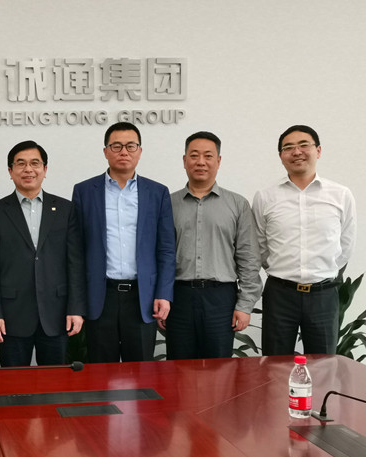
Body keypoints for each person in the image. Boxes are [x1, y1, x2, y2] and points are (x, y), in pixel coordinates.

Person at [72, 122, 175, 362]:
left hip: (142, 297)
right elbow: (75, 251)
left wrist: (164, 293)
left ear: (140, 151)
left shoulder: (157, 192)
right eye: (116, 146)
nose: (124, 152)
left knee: (140, 372)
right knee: (100, 372)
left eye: (131, 146)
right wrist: (77, 302)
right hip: (100, 296)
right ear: (106, 151)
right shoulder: (84, 191)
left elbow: (166, 249)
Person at [0, 140, 86, 366]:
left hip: (57, 314)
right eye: (21, 164)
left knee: (55, 381)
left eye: (35, 163)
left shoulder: (65, 210)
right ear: (10, 171)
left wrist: (76, 309)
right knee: (14, 383)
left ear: (45, 170)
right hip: (11, 316)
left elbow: (75, 264)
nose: (28, 169)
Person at [253, 125, 356, 355]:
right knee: (274, 364)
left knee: (323, 365)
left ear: (318, 150)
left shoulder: (340, 195)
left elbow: (346, 244)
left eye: (303, 145)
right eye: (288, 147)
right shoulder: (265, 196)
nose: (296, 152)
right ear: (281, 156)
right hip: (280, 293)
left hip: (323, 294)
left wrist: (322, 272)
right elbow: (260, 245)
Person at [167, 131, 262, 359]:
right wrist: (160, 299)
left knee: (219, 369)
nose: (201, 162)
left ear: (218, 161)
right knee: (178, 368)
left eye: (208, 156)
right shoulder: (168, 203)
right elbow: (158, 255)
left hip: (221, 299)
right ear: (184, 161)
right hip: (178, 298)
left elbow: (248, 257)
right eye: (194, 156)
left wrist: (244, 305)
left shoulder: (237, 204)